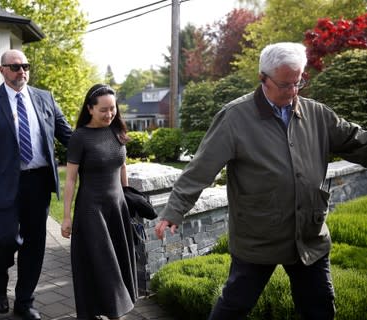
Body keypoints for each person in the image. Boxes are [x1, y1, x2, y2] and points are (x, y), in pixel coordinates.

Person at [154, 42, 367, 320]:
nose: (293, 92)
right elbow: (200, 169)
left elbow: (355, 141)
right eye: (285, 84)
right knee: (234, 306)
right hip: (258, 237)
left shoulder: (317, 114)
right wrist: (174, 211)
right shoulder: (235, 118)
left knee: (320, 308)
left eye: (298, 82)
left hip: (309, 235)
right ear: (263, 79)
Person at [0, 49, 72, 320]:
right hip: (3, 185)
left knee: (35, 244)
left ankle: (24, 301)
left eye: (25, 66)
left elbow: (68, 135)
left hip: (38, 182)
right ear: (2, 70)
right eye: (15, 67)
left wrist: (103, 141)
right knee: (5, 239)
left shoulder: (45, 98)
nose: (21, 71)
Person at [61, 84, 137, 320]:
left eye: (112, 109)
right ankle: (113, 311)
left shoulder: (116, 130)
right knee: (104, 262)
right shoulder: (80, 137)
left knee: (117, 260)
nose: (109, 114)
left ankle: (109, 309)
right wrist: (66, 216)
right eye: (103, 110)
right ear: (90, 109)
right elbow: (71, 180)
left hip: (117, 207)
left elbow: (122, 165)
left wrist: (127, 196)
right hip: (92, 210)